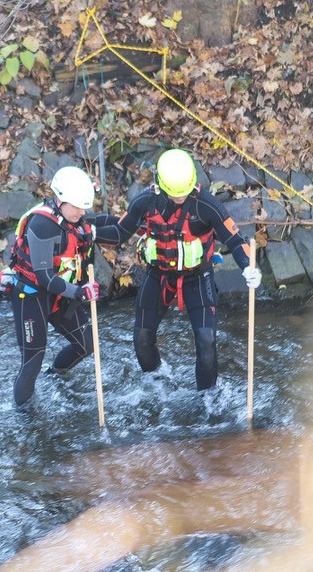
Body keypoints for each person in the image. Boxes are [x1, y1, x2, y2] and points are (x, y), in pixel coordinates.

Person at [93, 149, 261, 391]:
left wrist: (248, 267)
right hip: (157, 276)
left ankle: (208, 397)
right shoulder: (145, 200)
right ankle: (157, 383)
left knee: (206, 342)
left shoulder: (206, 205)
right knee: (142, 339)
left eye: (184, 193)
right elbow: (120, 232)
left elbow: (235, 240)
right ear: (160, 184)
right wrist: (90, 233)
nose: (181, 198)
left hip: (197, 278)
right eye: (175, 194)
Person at [2, 166, 105, 407]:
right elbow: (44, 277)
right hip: (32, 296)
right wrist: (81, 293)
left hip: (60, 297)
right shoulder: (42, 224)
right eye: (77, 206)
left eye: (84, 206)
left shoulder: (76, 219)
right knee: (32, 360)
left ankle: (54, 378)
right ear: (59, 199)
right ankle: (24, 417)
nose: (82, 212)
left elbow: (110, 227)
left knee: (86, 344)